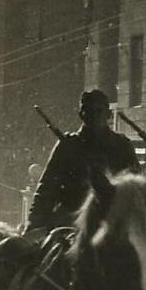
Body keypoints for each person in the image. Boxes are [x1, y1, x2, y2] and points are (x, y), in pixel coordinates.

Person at [26, 89, 138, 234]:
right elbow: (47, 187)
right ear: (81, 114)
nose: (94, 115)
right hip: (70, 221)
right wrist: (34, 223)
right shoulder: (68, 145)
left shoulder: (122, 145)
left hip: (112, 221)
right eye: (88, 111)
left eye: (99, 110)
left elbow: (135, 187)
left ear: (108, 114)